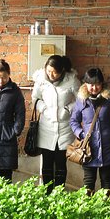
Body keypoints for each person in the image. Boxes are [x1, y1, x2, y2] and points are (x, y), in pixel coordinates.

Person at [70, 68, 110, 194]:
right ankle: (88, 205)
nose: (94, 88)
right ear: (85, 84)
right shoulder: (81, 99)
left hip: (107, 146)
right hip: (89, 147)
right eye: (91, 84)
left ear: (102, 84)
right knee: (88, 182)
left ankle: (105, 205)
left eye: (97, 84)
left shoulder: (109, 98)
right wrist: (81, 134)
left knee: (107, 181)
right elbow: (74, 121)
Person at [31, 55, 80, 193]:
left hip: (64, 128)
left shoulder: (72, 81)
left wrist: (68, 109)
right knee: (47, 162)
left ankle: (59, 193)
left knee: (60, 163)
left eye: (54, 72)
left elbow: (81, 99)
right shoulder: (41, 80)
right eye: (48, 71)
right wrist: (44, 109)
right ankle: (47, 193)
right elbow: (35, 99)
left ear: (62, 70)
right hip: (46, 127)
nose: (51, 75)